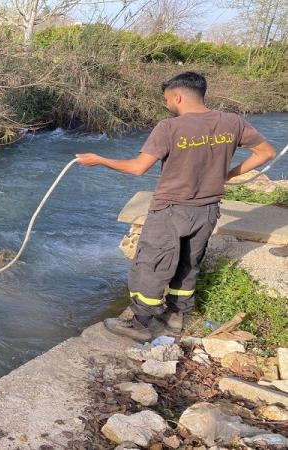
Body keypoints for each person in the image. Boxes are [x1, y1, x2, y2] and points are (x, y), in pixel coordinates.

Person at [76, 71, 277, 342]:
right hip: (207, 210)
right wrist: (228, 174)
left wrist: (99, 160)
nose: (166, 105)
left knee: (151, 265)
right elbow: (266, 152)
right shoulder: (232, 122)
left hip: (169, 210)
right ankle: (175, 316)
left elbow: (138, 168)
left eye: (166, 100)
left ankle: (141, 323)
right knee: (188, 263)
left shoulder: (168, 128)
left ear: (177, 96)